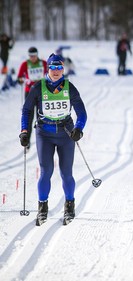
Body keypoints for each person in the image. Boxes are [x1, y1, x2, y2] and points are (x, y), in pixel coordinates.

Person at [19, 53, 87, 226]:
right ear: (47, 69)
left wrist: (78, 128)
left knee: (66, 173)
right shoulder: (38, 87)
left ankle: (69, 206)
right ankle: (42, 207)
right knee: (46, 171)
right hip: (44, 133)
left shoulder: (69, 87)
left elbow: (82, 112)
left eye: (59, 68)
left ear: (63, 69)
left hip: (65, 133)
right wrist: (24, 131)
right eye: (53, 68)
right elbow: (27, 110)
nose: (56, 71)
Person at [17, 47, 48, 148]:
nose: (33, 58)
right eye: (31, 56)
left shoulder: (43, 63)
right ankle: (27, 141)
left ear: (37, 55)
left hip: (41, 93)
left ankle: (42, 141)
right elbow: (19, 77)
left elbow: (50, 74)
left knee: (41, 118)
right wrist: (21, 80)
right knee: (29, 118)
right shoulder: (25, 64)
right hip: (29, 93)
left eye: (34, 56)